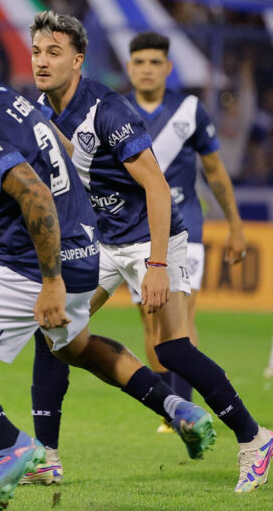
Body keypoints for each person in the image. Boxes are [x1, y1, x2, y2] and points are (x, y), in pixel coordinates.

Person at [0, 26, 213, 511]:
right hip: (84, 254)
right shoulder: (10, 100)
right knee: (77, 348)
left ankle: (11, 445)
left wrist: (50, 281)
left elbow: (35, 193)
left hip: (32, 267)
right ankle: (177, 408)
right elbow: (67, 164)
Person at [26, 10, 271, 493]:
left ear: (78, 61)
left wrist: (157, 264)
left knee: (171, 347)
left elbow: (157, 187)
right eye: (36, 51)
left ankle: (254, 438)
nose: (41, 61)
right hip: (101, 242)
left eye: (54, 52)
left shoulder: (109, 111)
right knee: (52, 328)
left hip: (152, 239)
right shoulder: (41, 108)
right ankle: (46, 458)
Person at [123, 31, 247, 432]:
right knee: (149, 317)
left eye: (155, 62)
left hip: (185, 226)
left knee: (181, 312)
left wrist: (235, 225)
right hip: (136, 230)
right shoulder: (117, 111)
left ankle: (186, 410)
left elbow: (214, 172)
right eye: (140, 62)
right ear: (129, 67)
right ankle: (168, 404)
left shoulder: (190, 110)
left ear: (168, 68)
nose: (147, 69)